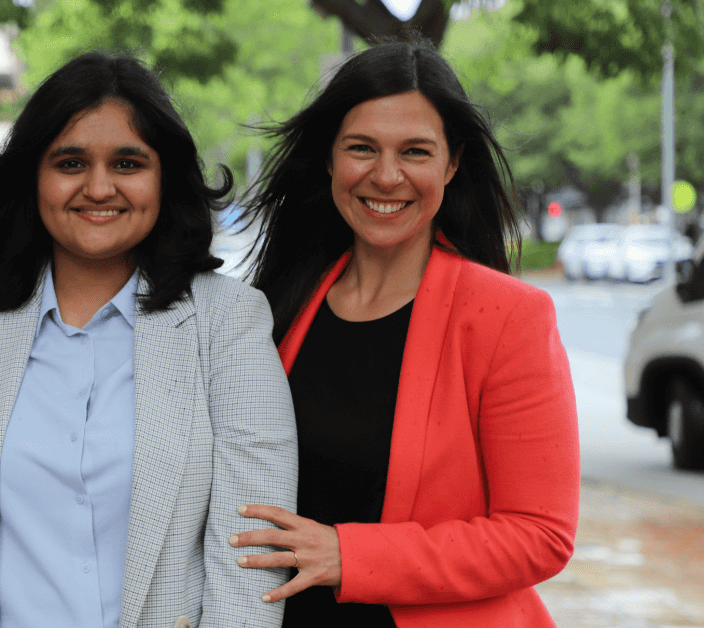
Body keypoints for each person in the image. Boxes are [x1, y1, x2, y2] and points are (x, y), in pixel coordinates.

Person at [0, 51, 298, 628]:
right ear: (31, 176)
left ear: (164, 176)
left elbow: (253, 551)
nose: (98, 187)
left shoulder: (229, 321)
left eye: (127, 163)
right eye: (70, 162)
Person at [228, 40, 579, 627]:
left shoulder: (508, 317)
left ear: (451, 163)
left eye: (415, 151)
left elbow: (540, 534)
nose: (386, 176)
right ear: (330, 160)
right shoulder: (275, 306)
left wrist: (350, 554)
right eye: (361, 148)